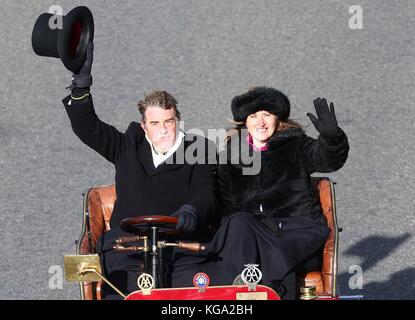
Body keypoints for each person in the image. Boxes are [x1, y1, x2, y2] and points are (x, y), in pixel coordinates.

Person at [62, 43, 217, 299]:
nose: (163, 129)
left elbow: (206, 194)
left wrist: (192, 211)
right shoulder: (127, 146)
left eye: (169, 121)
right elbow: (87, 127)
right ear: (144, 127)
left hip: (180, 247)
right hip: (127, 248)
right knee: (119, 288)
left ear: (177, 121)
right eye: (155, 123)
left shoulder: (199, 149)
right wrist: (81, 85)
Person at [201, 86, 350, 299]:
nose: (260, 122)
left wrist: (332, 139)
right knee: (238, 223)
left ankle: (251, 289)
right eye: (253, 116)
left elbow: (327, 159)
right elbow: (225, 209)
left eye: (266, 115)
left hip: (297, 233)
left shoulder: (295, 145)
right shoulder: (232, 160)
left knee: (265, 247)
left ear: (277, 119)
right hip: (255, 236)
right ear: (245, 122)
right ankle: (241, 295)